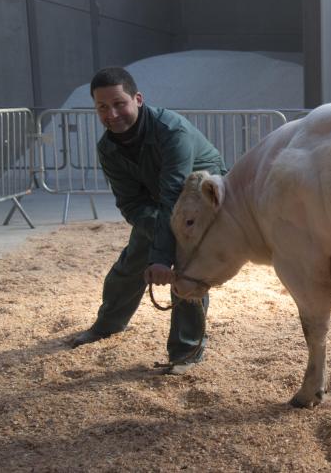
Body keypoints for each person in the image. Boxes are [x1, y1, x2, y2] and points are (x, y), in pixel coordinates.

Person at [70, 66, 226, 375]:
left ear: (138, 99)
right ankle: (107, 325)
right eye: (102, 107)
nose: (111, 114)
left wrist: (162, 257)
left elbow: (175, 194)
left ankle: (186, 353)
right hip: (162, 204)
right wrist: (154, 243)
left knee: (185, 270)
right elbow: (129, 202)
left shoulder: (172, 132)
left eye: (119, 103)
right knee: (132, 261)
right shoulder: (108, 148)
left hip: (201, 195)